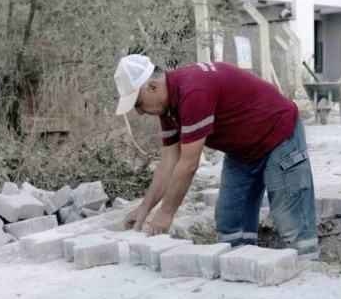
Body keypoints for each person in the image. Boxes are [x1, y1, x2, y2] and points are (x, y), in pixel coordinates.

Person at [114, 54, 319, 260]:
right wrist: (145, 208)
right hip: (242, 150)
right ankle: (244, 270)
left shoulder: (194, 90)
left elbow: (188, 164)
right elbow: (169, 162)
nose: (139, 112)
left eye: (138, 103)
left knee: (291, 222)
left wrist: (166, 213)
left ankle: (307, 271)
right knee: (230, 223)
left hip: (279, 135)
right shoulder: (167, 109)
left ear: (152, 87)